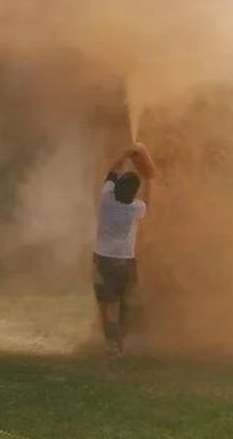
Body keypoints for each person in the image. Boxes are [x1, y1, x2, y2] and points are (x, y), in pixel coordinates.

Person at [94, 143, 154, 357]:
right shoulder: (135, 209)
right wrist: (148, 172)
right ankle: (121, 340)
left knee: (106, 304)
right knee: (125, 303)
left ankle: (112, 343)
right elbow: (148, 199)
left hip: (102, 259)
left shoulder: (106, 199)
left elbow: (113, 170)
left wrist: (126, 154)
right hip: (125, 261)